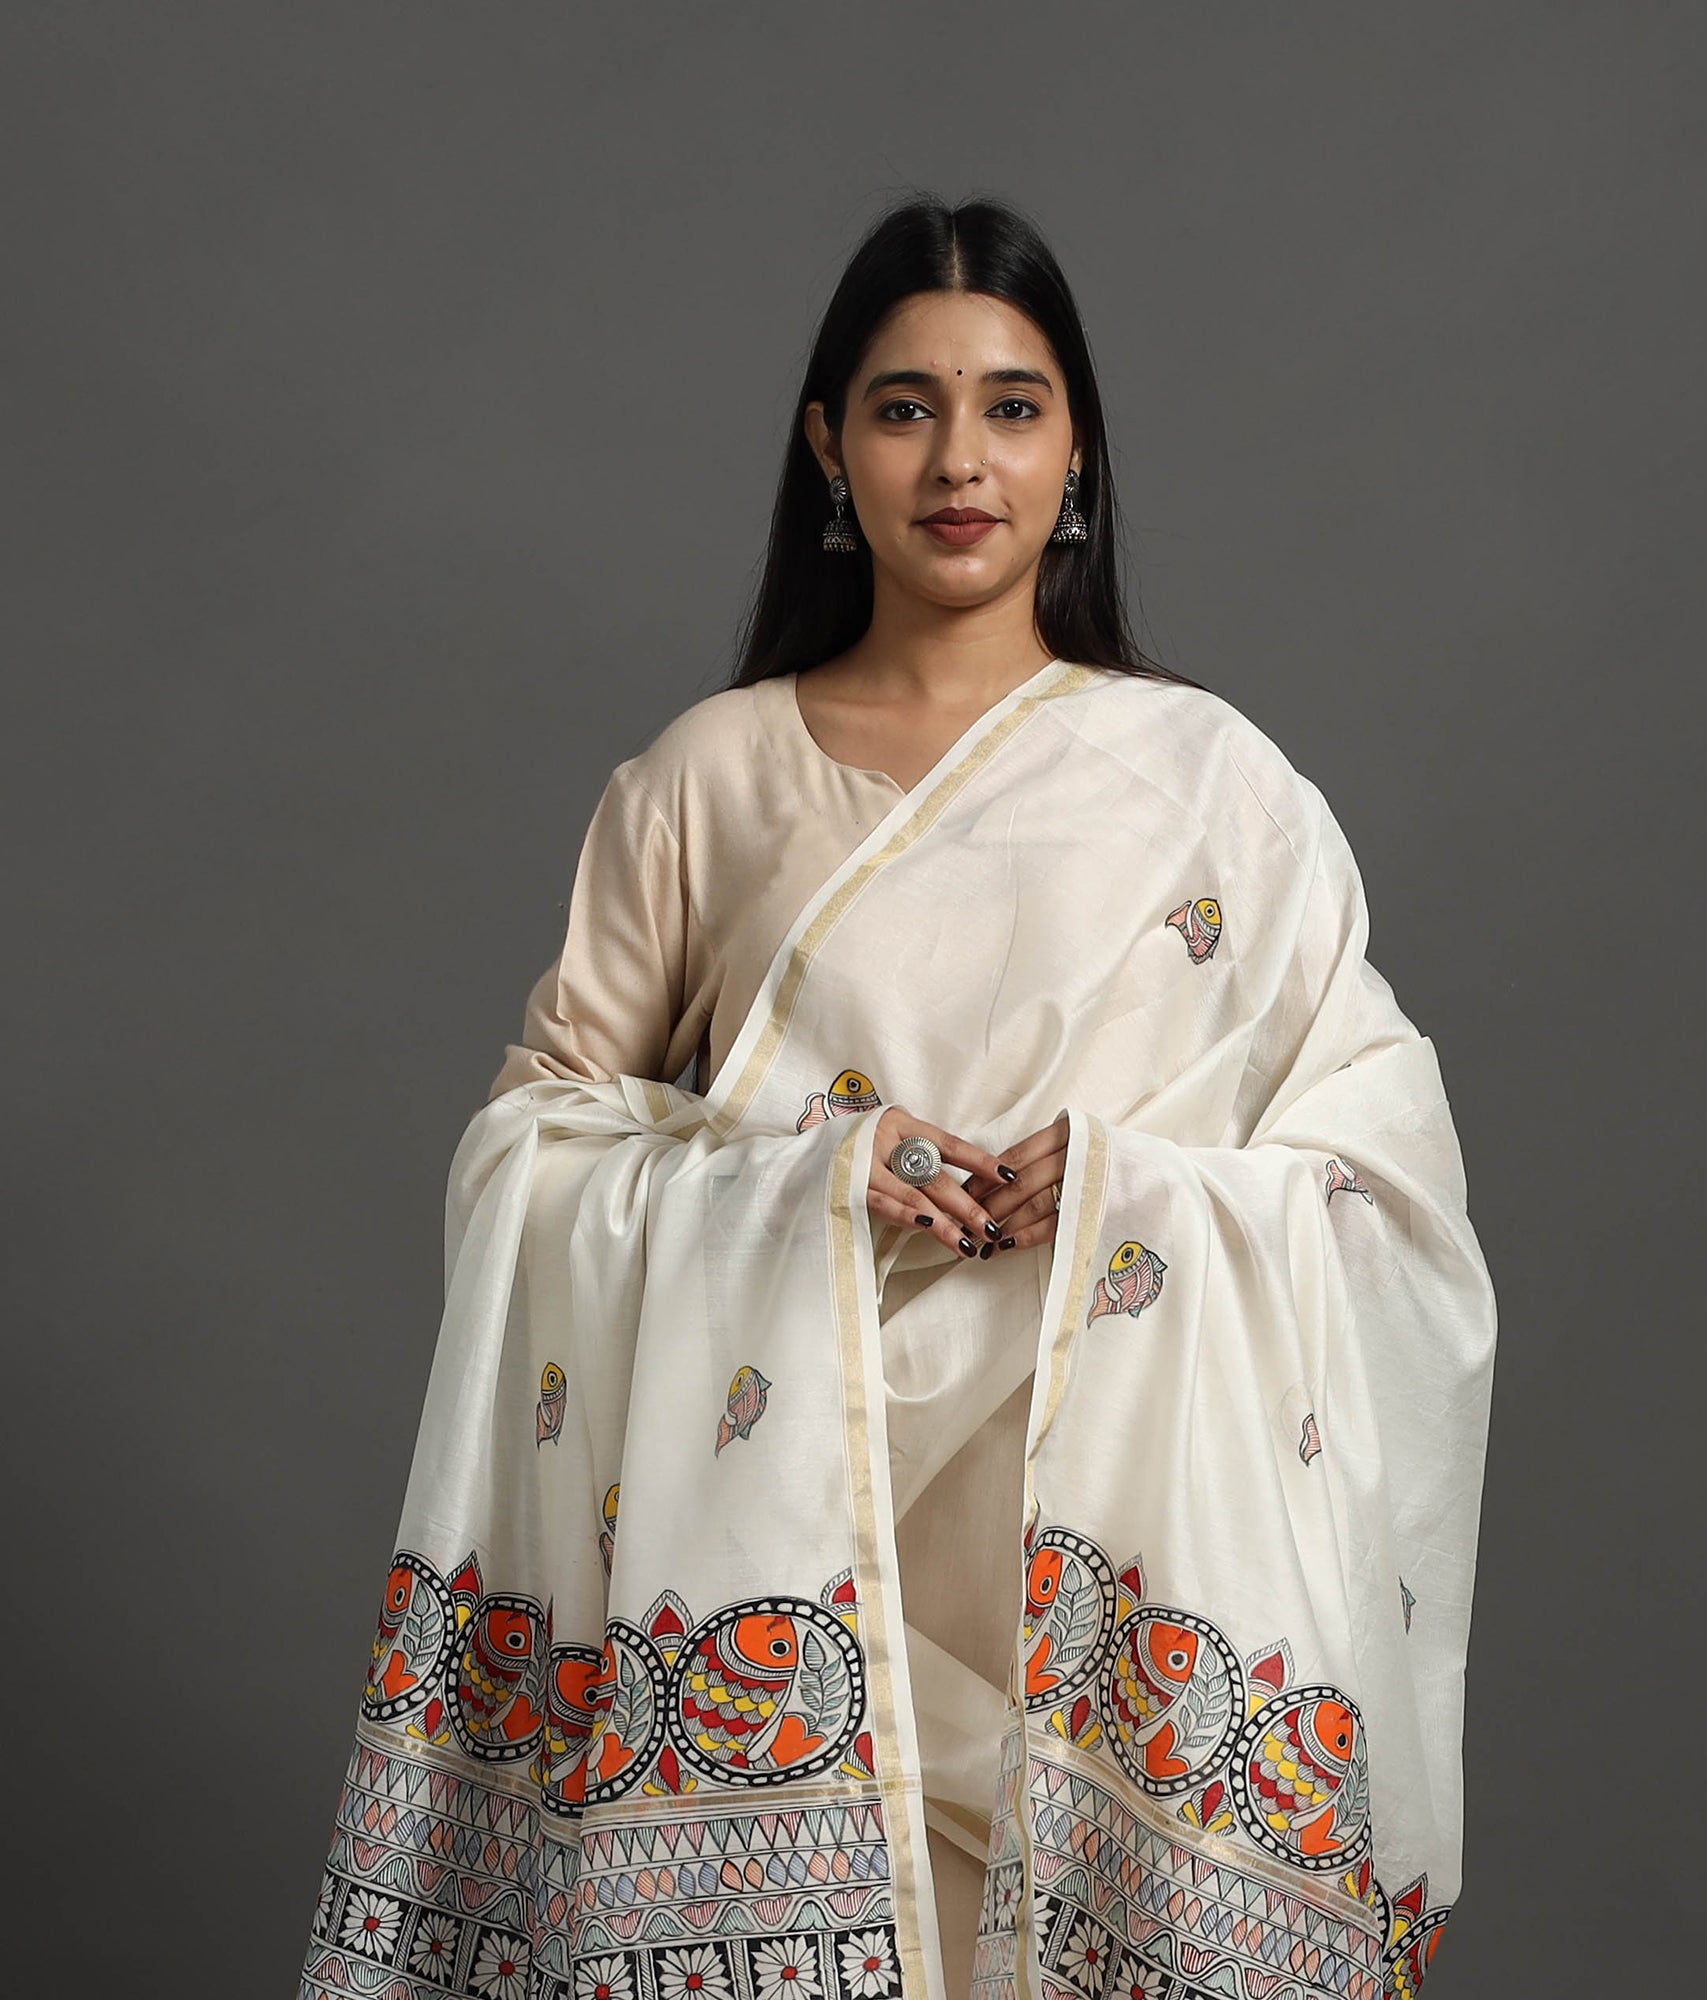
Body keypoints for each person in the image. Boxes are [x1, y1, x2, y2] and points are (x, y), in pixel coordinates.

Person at [300, 194, 1498, 2000]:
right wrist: (804, 1181)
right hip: (785, 1589)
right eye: (903, 408)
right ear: (826, 445)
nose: (959, 461)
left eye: (1013, 407)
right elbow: (528, 1154)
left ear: (1078, 449)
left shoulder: (1221, 789)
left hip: (1107, 1587)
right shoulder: (707, 780)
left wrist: (1130, 1191)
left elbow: (1384, 1186)